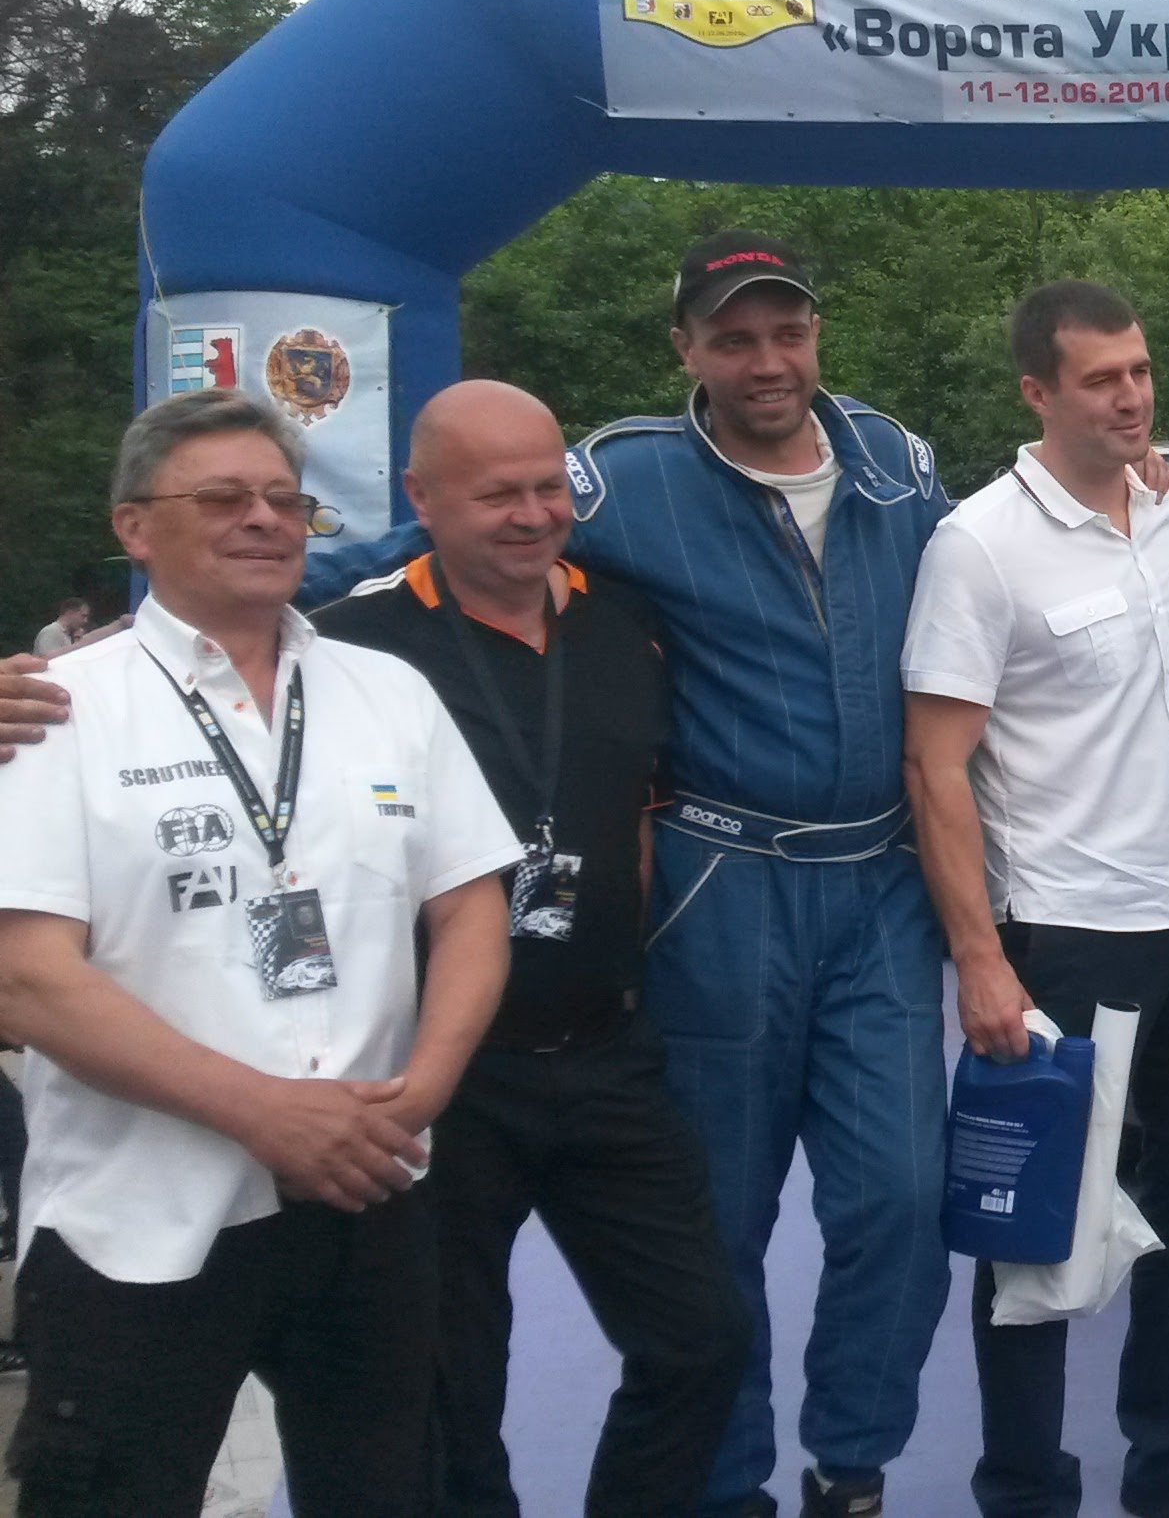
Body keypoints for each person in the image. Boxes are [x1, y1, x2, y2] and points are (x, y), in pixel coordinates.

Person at [301, 232, 956, 1518]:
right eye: (732, 338)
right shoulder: (621, 476)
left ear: (816, 334)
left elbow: (987, 588)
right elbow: (429, 532)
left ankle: (852, 1467)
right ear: (686, 349)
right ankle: (723, 1489)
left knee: (902, 1199)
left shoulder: (897, 459)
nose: (766, 361)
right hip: (725, 882)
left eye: (787, 332)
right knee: (718, 1222)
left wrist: (1113, 490)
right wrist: (173, 616)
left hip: (880, 882)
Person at [0, 388, 520, 1517]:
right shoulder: (54, 710)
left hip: (370, 1188)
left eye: (286, 500)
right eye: (223, 498)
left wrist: (423, 1092)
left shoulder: (388, 692)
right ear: (134, 526)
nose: (264, 520)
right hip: (141, 1217)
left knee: (390, 1493)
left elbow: (473, 905)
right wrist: (263, 1112)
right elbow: (28, 978)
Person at [314, 381, 746, 1517]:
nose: (531, 514)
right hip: (442, 1078)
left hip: (608, 1055)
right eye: (496, 493)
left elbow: (642, 812)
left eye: (549, 487)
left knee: (702, 1340)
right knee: (454, 1386)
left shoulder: (628, 624)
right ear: (421, 498)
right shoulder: (350, 638)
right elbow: (186, 667)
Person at [901, 284, 1169, 1518]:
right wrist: (980, 960)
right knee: (1038, 1235)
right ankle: (1024, 1489)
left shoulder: (1167, 506)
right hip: (1065, 935)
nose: (1132, 395)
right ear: (1036, 393)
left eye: (1140, 371)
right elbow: (935, 767)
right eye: (1102, 378)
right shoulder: (979, 546)